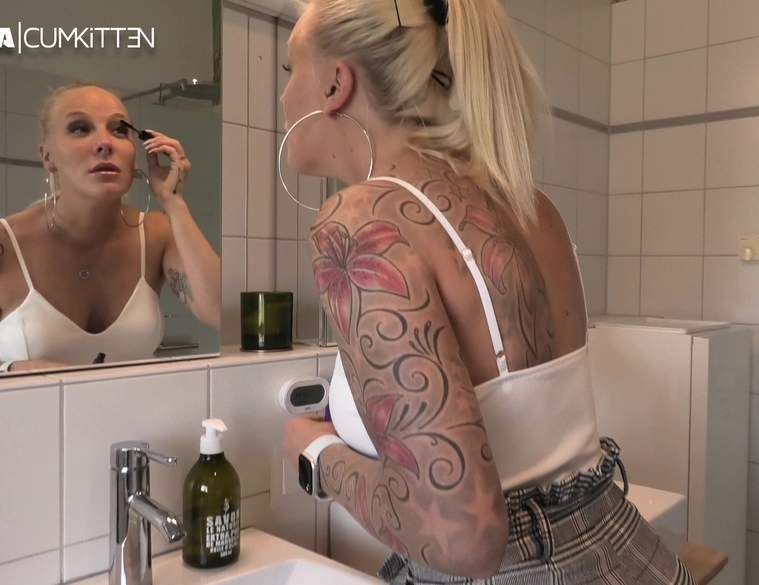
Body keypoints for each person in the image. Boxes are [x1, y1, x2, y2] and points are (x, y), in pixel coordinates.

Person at [281, 1, 695, 583]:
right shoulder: (530, 204)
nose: (283, 96)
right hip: (627, 551)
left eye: (289, 70)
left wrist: (315, 451)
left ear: (335, 83)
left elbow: (461, 537)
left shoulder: (361, 221)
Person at [0, 82, 220, 373]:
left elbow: (218, 312)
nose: (105, 143)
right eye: (80, 128)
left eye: (119, 130)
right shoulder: (7, 243)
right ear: (47, 156)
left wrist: (174, 202)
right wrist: (11, 368)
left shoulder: (156, 234)